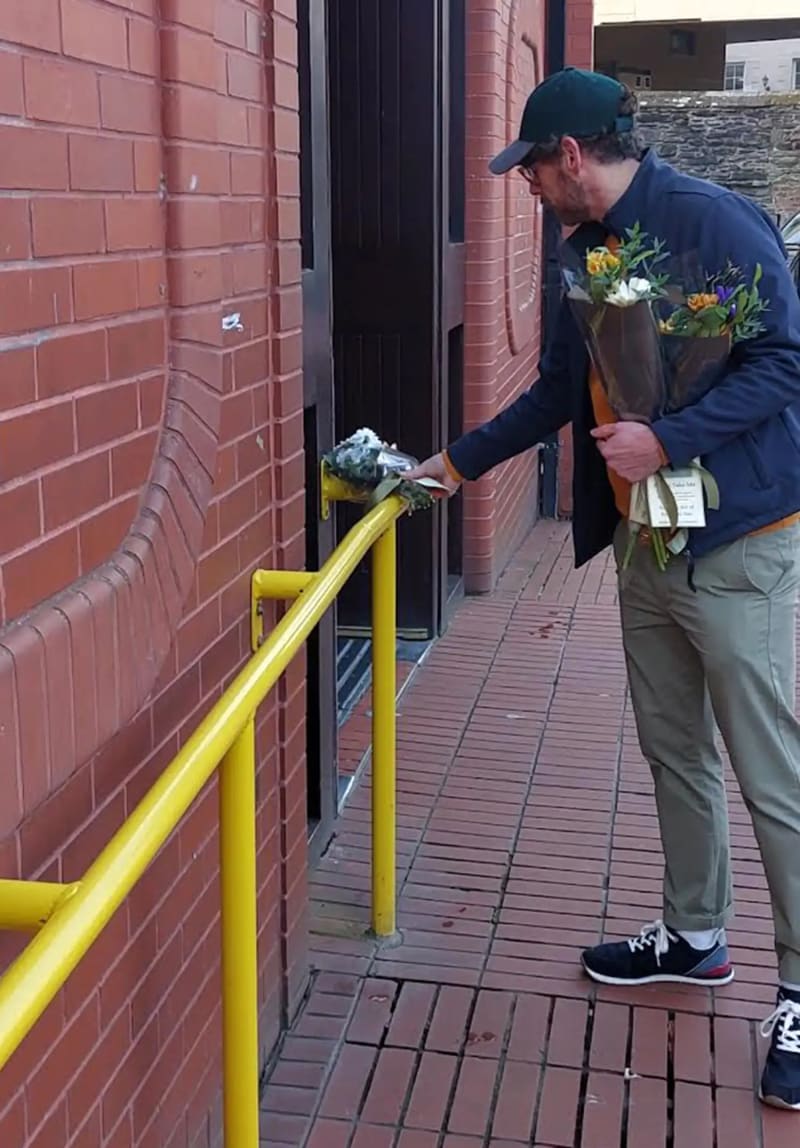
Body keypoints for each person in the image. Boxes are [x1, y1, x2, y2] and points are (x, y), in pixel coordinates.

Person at [407, 67, 800, 1111]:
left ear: (568, 155)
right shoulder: (580, 245)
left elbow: (781, 365)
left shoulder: (713, 220)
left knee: (770, 773)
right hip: (647, 541)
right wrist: (453, 464)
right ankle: (693, 932)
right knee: (671, 747)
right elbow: (553, 387)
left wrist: (665, 434)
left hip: (736, 540)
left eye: (529, 168)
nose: (525, 186)